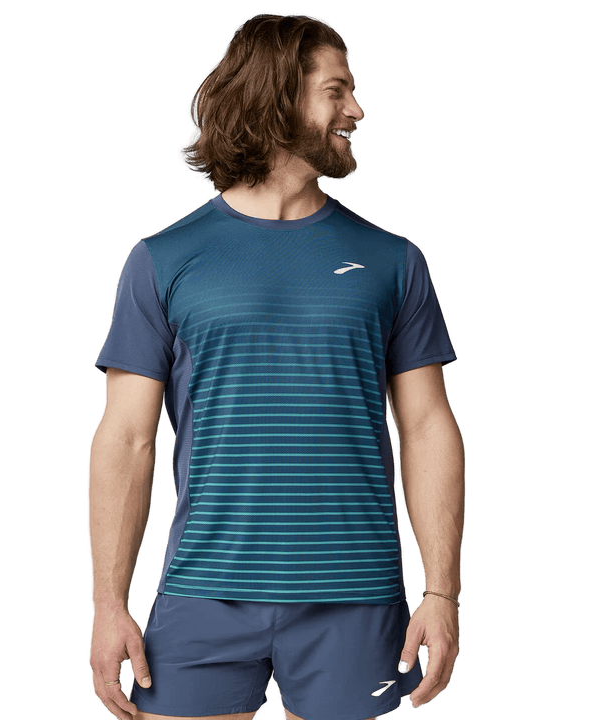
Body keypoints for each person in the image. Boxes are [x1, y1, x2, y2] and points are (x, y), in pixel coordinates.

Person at [88, 12, 465, 720]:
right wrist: (109, 605)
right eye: (336, 91)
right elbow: (126, 439)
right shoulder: (162, 260)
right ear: (278, 96)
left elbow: (427, 428)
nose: (357, 110)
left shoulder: (394, 261)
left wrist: (442, 592)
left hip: (355, 598)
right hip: (202, 592)